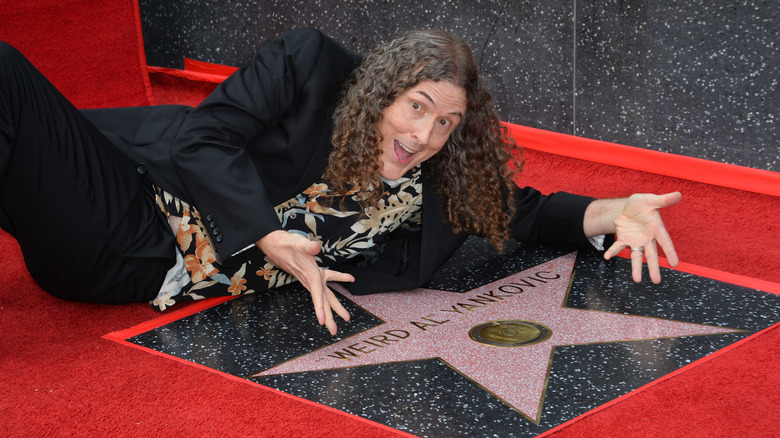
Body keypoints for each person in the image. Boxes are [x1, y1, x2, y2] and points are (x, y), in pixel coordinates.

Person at [0, 28, 680, 335]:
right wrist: (266, 234)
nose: (424, 137)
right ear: (381, 89)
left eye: (447, 123)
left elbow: (529, 214)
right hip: (134, 198)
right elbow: (203, 137)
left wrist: (618, 210)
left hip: (136, 264)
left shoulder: (433, 185)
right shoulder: (310, 66)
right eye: (417, 107)